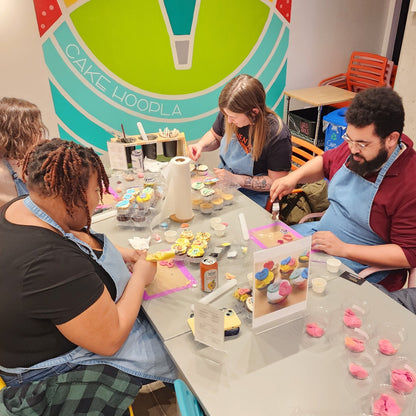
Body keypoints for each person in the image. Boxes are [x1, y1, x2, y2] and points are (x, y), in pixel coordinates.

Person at [0, 139, 176, 390]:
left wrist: (125, 254)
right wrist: (139, 277)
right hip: (49, 372)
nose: (98, 199)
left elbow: (75, 237)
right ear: (72, 194)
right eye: (96, 191)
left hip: (29, 343)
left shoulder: (21, 206)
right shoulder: (50, 262)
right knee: (177, 349)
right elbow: (110, 339)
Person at [270, 87, 416, 292]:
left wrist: (344, 249)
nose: (353, 149)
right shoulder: (355, 148)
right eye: (349, 139)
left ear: (391, 139)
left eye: (362, 144)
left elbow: (408, 254)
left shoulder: (410, 183)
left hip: (363, 267)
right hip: (321, 238)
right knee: (269, 261)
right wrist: (295, 177)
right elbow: (326, 161)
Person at [189, 74, 292, 208]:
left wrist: (235, 179)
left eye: (233, 117)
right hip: (226, 182)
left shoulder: (277, 134)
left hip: (253, 195)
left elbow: (276, 182)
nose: (229, 121)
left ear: (254, 112)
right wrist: (201, 145)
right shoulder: (229, 112)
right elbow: (215, 136)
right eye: (226, 116)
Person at [0, 97, 47, 207]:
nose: (41, 134)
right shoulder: (3, 173)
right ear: (19, 132)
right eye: (36, 128)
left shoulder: (34, 162)